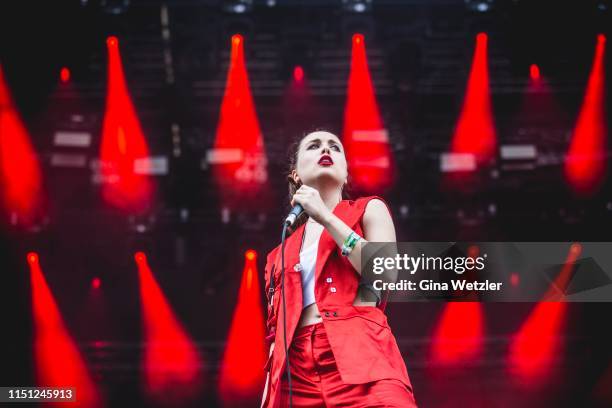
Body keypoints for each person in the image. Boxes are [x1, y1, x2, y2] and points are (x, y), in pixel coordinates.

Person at [260, 130, 417, 407]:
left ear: (345, 174)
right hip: (295, 373)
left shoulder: (369, 209)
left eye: (335, 146)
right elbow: (275, 337)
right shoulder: (278, 254)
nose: (326, 149)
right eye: (314, 146)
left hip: (361, 357)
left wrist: (324, 216)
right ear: (296, 175)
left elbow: (384, 271)